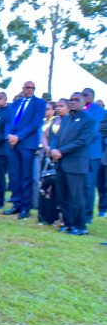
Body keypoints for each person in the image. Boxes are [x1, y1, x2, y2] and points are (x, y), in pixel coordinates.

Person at [50, 92, 94, 235]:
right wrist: (54, 149)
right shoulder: (66, 119)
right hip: (61, 163)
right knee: (62, 196)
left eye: (77, 100)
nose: (73, 102)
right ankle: (68, 223)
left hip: (76, 164)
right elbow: (58, 137)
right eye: (71, 100)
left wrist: (61, 151)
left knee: (76, 197)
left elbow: (82, 142)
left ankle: (80, 226)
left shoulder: (88, 120)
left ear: (83, 102)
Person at [3, 81, 46, 219]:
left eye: (32, 88)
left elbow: (35, 124)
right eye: (27, 87)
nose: (30, 90)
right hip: (13, 144)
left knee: (26, 176)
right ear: (23, 88)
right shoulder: (16, 103)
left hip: (27, 144)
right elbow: (8, 122)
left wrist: (18, 136)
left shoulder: (39, 103)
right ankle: (16, 203)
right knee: (14, 175)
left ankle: (25, 207)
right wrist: (9, 135)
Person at [82, 88, 106, 221]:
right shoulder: (80, 109)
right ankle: (80, 211)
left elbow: (96, 131)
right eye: (82, 94)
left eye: (85, 95)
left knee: (90, 184)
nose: (83, 97)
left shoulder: (100, 112)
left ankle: (88, 214)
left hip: (93, 153)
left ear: (92, 96)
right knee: (80, 184)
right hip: (79, 153)